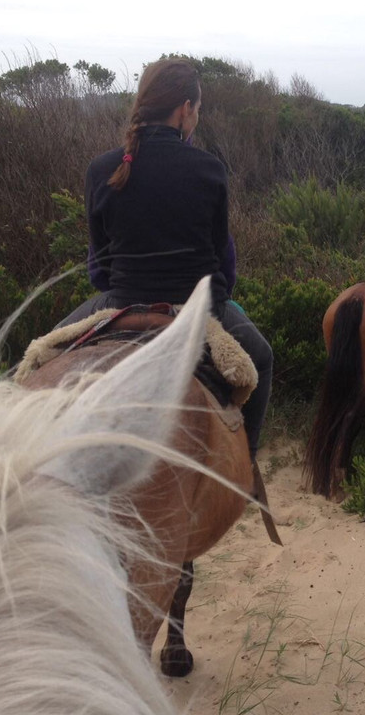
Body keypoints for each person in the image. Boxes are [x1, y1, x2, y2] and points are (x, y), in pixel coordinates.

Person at [60, 57, 273, 456]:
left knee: (41, 359)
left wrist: (123, 287)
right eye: (198, 109)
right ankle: (247, 471)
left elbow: (98, 266)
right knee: (260, 359)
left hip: (120, 303)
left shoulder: (102, 169)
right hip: (195, 309)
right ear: (184, 109)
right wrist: (221, 298)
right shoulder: (209, 169)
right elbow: (221, 261)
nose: (197, 116)